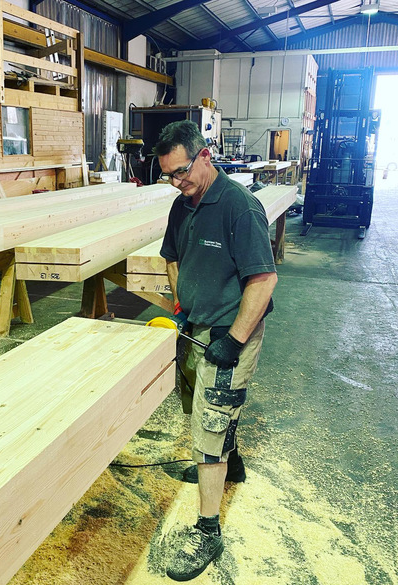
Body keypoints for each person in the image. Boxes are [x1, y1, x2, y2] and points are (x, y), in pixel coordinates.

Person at [155, 120, 278, 582]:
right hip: (197, 325)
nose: (177, 182)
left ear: (205, 155)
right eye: (168, 175)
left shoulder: (239, 207)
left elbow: (264, 280)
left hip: (231, 330)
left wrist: (235, 339)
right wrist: (181, 306)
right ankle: (232, 465)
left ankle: (208, 528)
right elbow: (172, 257)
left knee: (208, 424)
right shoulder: (181, 206)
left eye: (182, 171)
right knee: (198, 404)